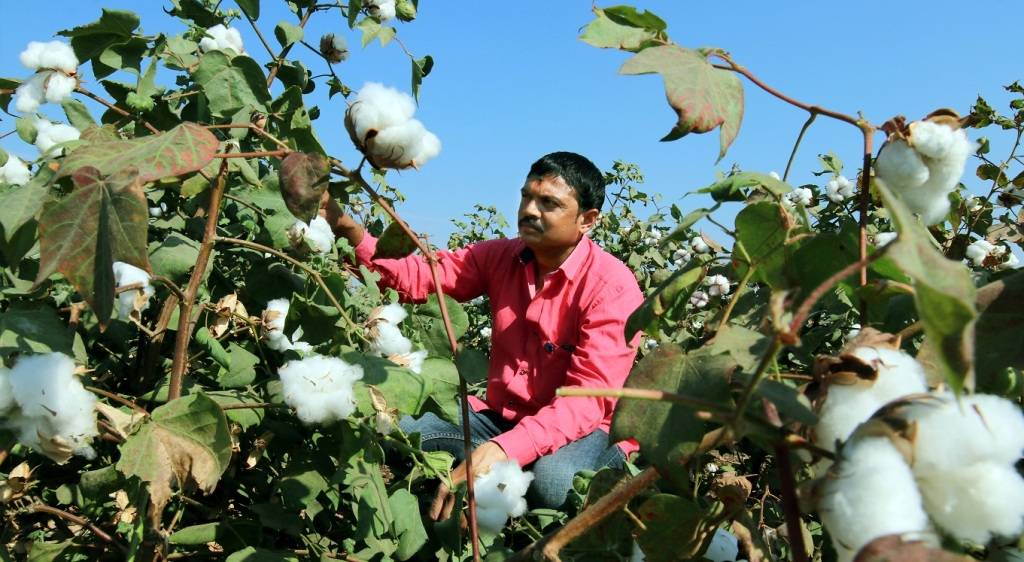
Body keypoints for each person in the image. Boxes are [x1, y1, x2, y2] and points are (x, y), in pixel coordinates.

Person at [320, 151, 643, 517]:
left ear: (587, 220)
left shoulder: (613, 288)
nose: (530, 210)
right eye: (526, 197)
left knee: (556, 484)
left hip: (586, 428)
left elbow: (587, 400)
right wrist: (344, 226)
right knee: (394, 426)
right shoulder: (500, 256)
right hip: (502, 418)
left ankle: (618, 478)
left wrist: (504, 450)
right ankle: (460, 501)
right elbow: (419, 276)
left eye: (549, 203)